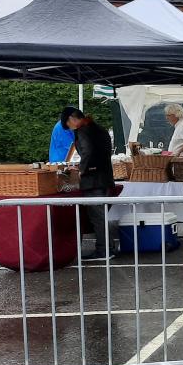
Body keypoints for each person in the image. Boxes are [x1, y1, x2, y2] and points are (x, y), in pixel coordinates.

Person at [61, 107, 116, 261]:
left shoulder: (83, 130)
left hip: (93, 180)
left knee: (97, 216)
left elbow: (88, 151)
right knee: (101, 215)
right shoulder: (99, 129)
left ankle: (103, 250)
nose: (70, 128)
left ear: (72, 119)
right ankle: (108, 247)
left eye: (68, 124)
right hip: (105, 177)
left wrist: (81, 170)